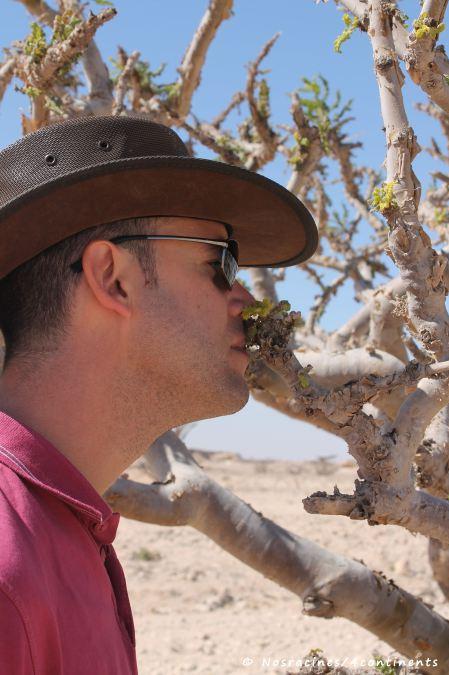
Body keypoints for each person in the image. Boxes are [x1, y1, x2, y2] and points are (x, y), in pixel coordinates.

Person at [0, 115, 318, 673]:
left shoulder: (61, 531)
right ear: (113, 277)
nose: (245, 295)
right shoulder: (8, 568)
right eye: (219, 261)